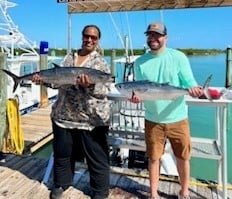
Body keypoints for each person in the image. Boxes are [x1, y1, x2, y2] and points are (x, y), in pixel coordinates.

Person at [33, 25, 111, 199]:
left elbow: (105, 89)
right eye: (86, 36)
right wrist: (43, 81)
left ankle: (100, 190)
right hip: (64, 115)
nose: (89, 40)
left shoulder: (100, 63)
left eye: (94, 37)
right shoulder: (69, 58)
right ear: (82, 36)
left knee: (96, 157)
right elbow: (57, 82)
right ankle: (61, 183)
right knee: (63, 153)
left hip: (90, 119)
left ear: (98, 40)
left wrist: (90, 85)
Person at [129, 22, 204, 199]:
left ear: (165, 37)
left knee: (183, 157)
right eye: (150, 35)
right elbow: (141, 88)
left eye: (157, 35)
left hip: (178, 117)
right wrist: (136, 98)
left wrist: (193, 89)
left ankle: (184, 192)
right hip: (153, 119)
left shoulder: (178, 57)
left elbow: (189, 81)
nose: (153, 38)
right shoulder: (140, 62)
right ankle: (153, 194)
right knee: (154, 158)